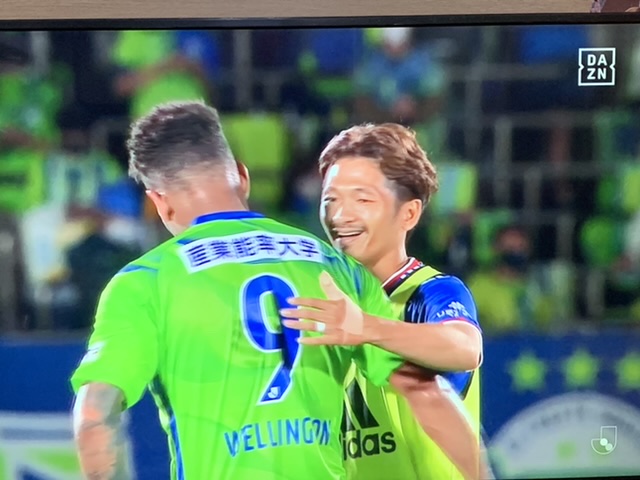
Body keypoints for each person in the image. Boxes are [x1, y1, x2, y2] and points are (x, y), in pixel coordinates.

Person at [70, 102, 442, 480]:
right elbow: (425, 393)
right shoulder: (337, 267)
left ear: (159, 203)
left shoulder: (145, 281)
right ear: (242, 176)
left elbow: (95, 416)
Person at [280, 123, 487, 480]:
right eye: (330, 200)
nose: (339, 216)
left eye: (362, 200)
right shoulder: (317, 302)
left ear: (409, 214)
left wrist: (366, 327)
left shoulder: (428, 292)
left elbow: (466, 348)